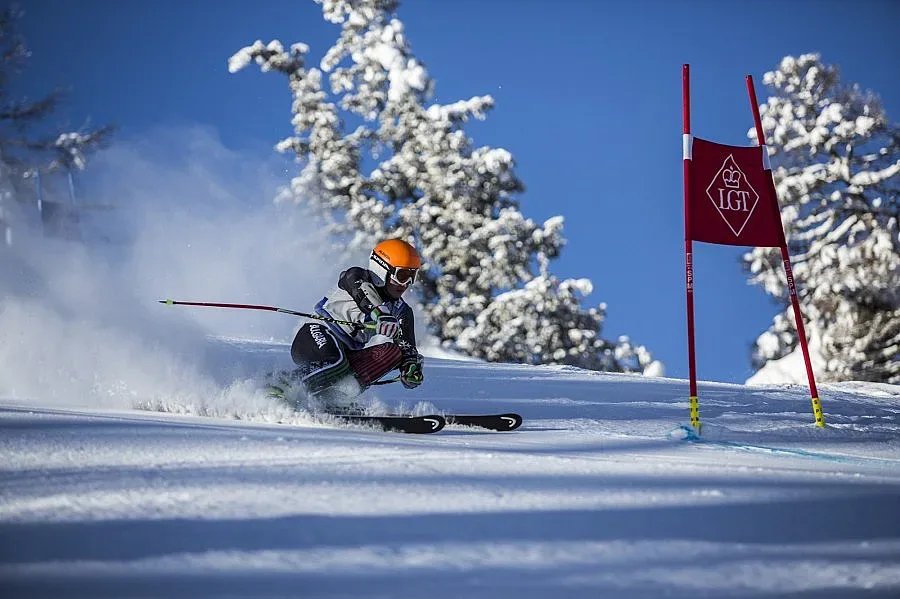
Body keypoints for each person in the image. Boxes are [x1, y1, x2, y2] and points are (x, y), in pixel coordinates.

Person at [272, 239, 425, 414]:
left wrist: (410, 367)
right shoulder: (356, 277)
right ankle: (280, 384)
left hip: (345, 354)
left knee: (392, 353)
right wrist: (380, 313)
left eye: (413, 276)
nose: (406, 284)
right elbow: (362, 293)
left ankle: (330, 399)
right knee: (335, 361)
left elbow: (407, 350)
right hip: (314, 336)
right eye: (402, 275)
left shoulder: (401, 310)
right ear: (382, 269)